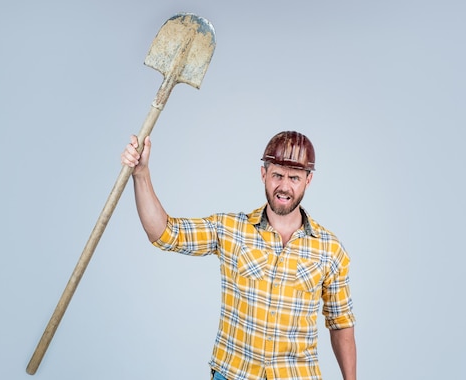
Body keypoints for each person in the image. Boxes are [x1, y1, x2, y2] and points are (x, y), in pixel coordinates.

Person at [121, 131, 356, 380]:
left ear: (308, 180)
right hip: (234, 373)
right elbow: (165, 233)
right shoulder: (231, 230)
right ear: (263, 174)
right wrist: (141, 174)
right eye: (277, 175)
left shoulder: (330, 249)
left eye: (294, 178)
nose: (284, 186)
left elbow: (341, 324)